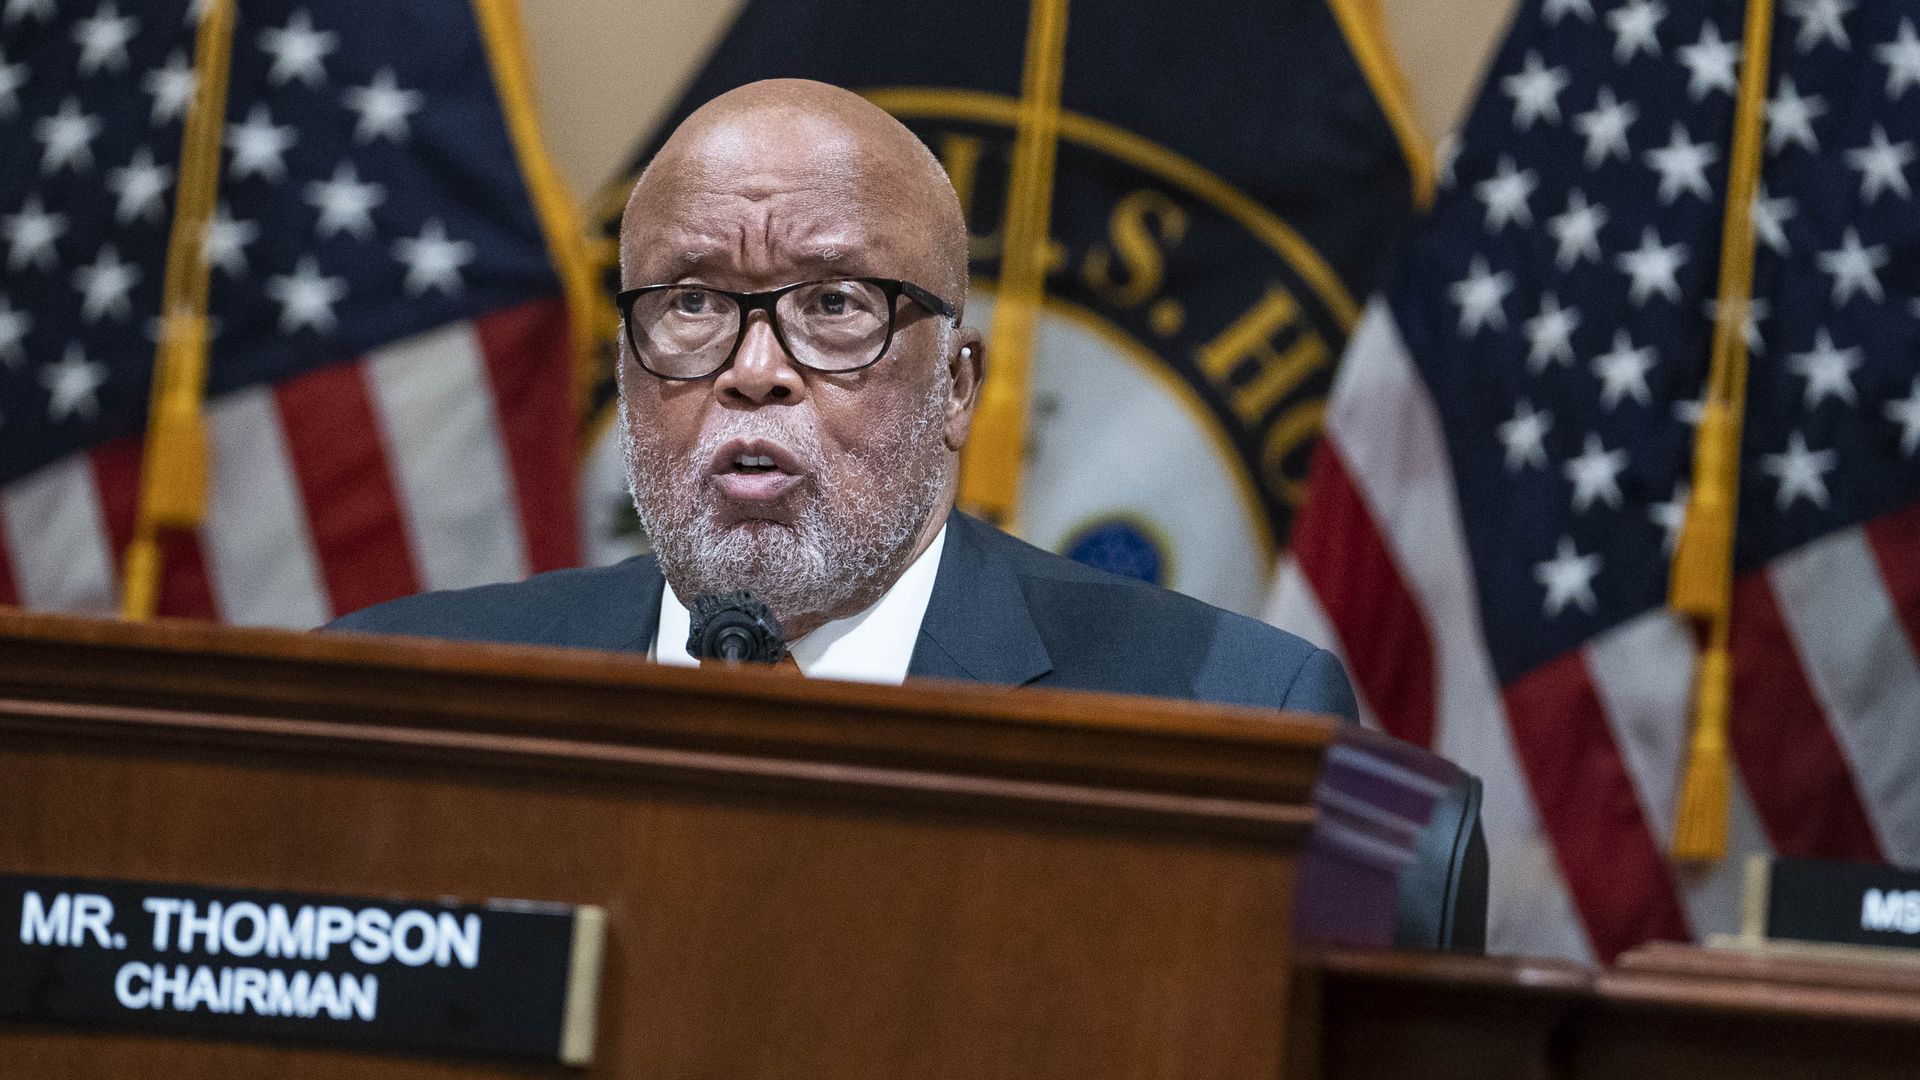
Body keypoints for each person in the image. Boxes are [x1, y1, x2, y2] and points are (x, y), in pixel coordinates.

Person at [335, 79, 1485, 950]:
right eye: (691, 302)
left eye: (835, 306)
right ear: (630, 375)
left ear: (959, 389)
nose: (755, 370)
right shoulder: (383, 700)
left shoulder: (1242, 718)